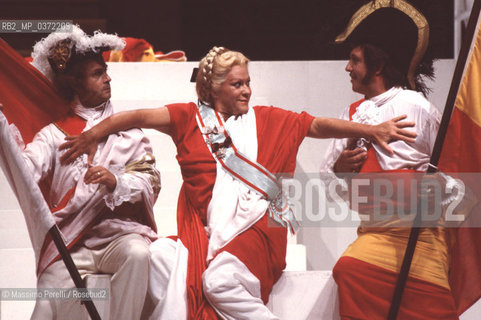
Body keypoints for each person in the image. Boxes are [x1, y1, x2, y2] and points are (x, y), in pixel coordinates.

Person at [59, 45, 416, 319]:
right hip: (207, 233)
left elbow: (318, 125)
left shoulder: (267, 119)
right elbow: (135, 116)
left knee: (216, 283)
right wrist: (93, 136)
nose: (246, 91)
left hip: (259, 229)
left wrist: (372, 129)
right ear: (215, 89)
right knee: (156, 256)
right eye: (237, 84)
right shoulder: (187, 118)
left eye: (248, 83)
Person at [320, 1, 459, 318]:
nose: (347, 68)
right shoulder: (350, 115)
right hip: (375, 234)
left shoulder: (416, 106)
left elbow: (455, 171)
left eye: (354, 60)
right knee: (349, 270)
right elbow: (329, 184)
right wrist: (341, 170)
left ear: (377, 66)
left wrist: (434, 187)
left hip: (420, 236)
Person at [25, 26, 160, 319]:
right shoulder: (53, 135)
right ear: (75, 83)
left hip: (118, 237)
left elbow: (151, 181)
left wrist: (117, 182)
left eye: (106, 71)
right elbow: (26, 171)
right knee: (45, 305)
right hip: (71, 243)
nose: (108, 78)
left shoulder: (128, 132)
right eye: (98, 74)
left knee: (138, 254)